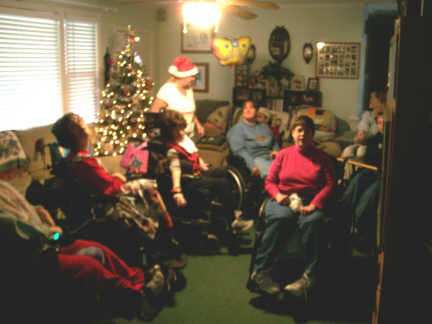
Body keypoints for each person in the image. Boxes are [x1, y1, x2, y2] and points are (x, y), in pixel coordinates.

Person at [0, 179, 165, 322]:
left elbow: (28, 213)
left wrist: (39, 212)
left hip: (47, 244)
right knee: (87, 266)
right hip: (33, 261)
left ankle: (138, 277)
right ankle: (138, 298)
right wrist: (54, 229)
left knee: (94, 249)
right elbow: (29, 235)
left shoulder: (3, 187)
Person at [51, 113, 186, 268]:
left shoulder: (78, 157)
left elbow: (100, 179)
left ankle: (165, 235)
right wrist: (118, 179)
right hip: (106, 204)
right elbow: (109, 187)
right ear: (77, 133)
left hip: (105, 194)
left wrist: (113, 176)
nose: (83, 124)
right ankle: (167, 235)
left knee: (144, 184)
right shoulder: (83, 162)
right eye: (79, 124)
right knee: (149, 187)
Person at [252, 115, 336, 297]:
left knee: (313, 222)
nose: (302, 134)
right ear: (292, 133)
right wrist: (278, 195)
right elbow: (270, 182)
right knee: (281, 217)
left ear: (313, 134)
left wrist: (315, 204)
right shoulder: (283, 154)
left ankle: (308, 277)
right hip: (285, 199)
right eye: (299, 130)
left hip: (311, 201)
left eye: (307, 131)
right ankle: (261, 272)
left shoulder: (322, 158)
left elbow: (330, 184)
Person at [159, 109, 253, 243]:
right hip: (188, 181)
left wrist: (202, 164)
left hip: (198, 172)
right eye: (176, 129)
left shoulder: (183, 139)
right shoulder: (171, 149)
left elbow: (195, 154)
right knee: (222, 184)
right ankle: (232, 221)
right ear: (168, 130)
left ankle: (228, 212)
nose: (181, 132)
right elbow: (175, 169)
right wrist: (177, 191)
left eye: (182, 128)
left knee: (226, 171)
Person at [343, 113, 384, 253]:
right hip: (371, 171)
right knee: (356, 181)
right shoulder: (374, 139)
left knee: (369, 195)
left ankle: (358, 231)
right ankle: (344, 217)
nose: (382, 125)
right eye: (379, 122)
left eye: (384, 122)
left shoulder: (393, 140)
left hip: (383, 175)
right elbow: (369, 157)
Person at [151, 56, 204, 139]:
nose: (194, 79)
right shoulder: (167, 89)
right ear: (183, 76)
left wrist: (198, 124)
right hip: (174, 137)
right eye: (192, 76)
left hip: (190, 135)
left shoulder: (189, 89)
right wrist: (171, 130)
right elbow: (154, 114)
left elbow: (190, 111)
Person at [227, 100, 280, 179]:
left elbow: (274, 142)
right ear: (243, 111)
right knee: (277, 174)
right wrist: (252, 166)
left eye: (251, 108)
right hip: (254, 160)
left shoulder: (264, 127)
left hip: (270, 158)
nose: (248, 110)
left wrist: (277, 151)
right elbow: (240, 151)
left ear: (257, 111)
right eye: (245, 108)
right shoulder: (237, 129)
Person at [342, 89, 386, 159]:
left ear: (380, 101)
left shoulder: (385, 117)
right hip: (362, 141)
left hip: (373, 144)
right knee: (348, 150)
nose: (370, 100)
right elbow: (361, 133)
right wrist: (360, 136)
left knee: (361, 151)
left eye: (372, 98)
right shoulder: (368, 114)